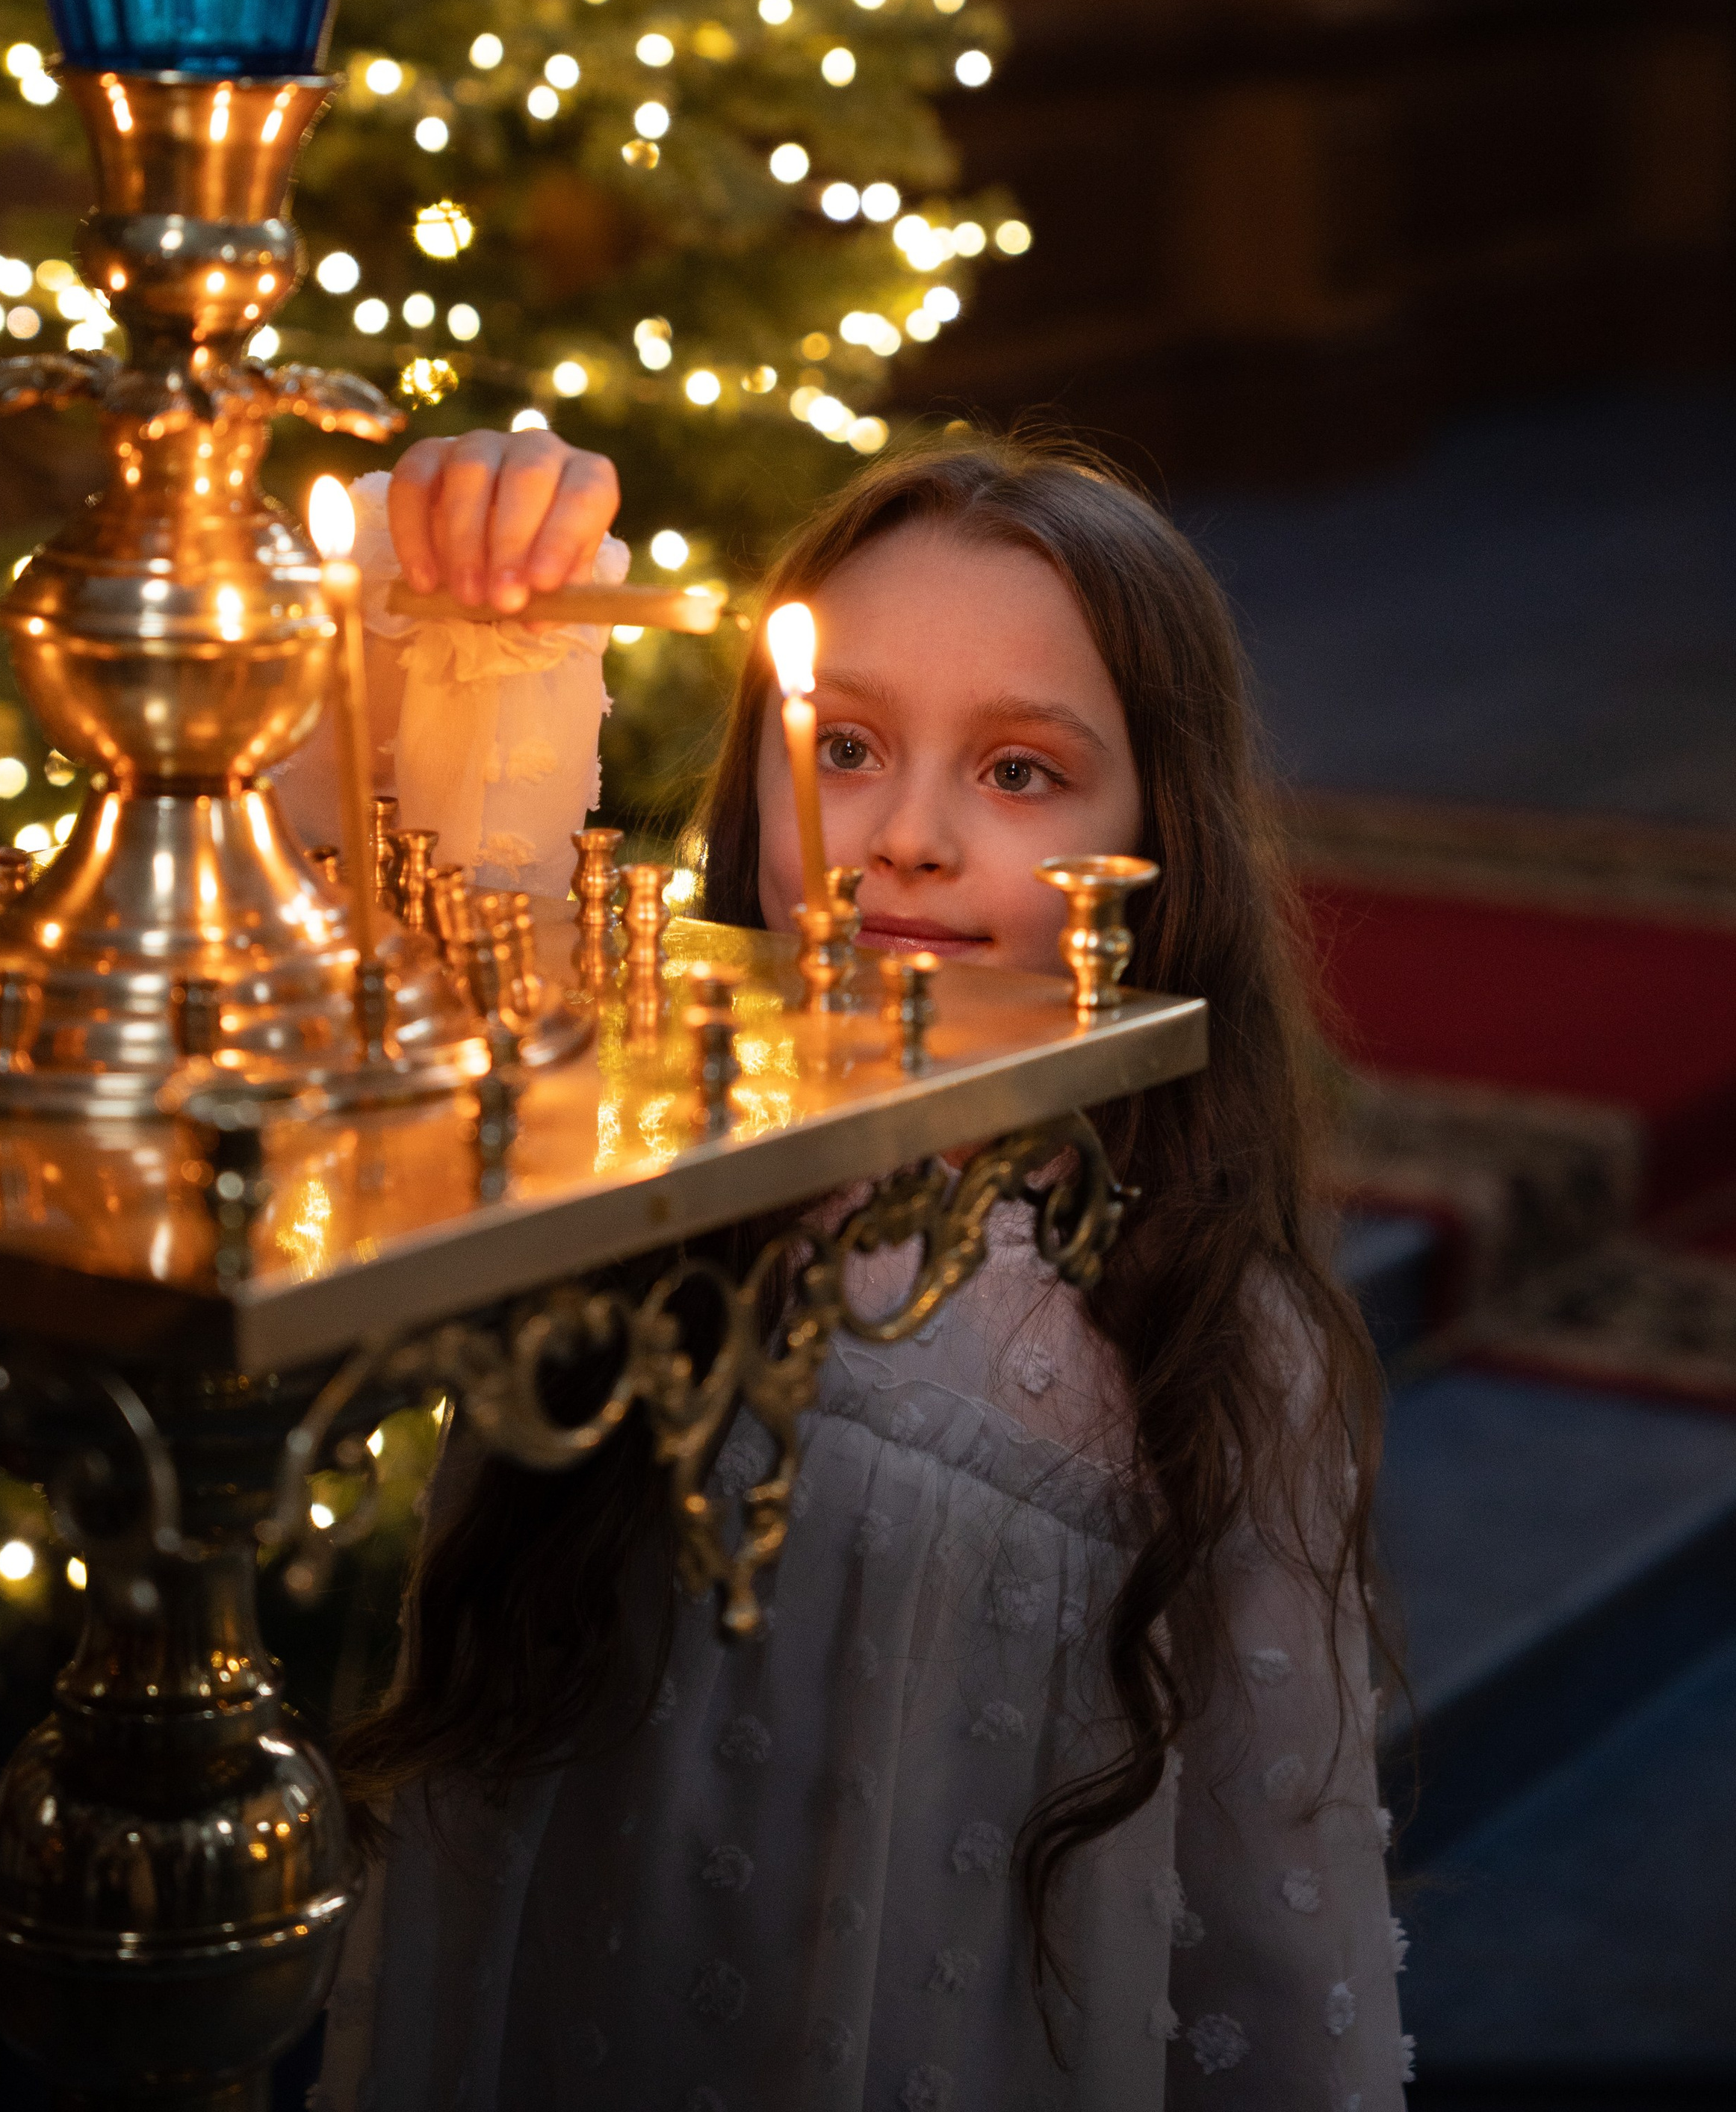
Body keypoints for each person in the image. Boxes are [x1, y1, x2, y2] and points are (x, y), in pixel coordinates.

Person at [311, 425, 1410, 2112]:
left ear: (1160, 844)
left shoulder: (1196, 1331)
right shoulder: (599, 1142)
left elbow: (1274, 1950)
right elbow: (337, 959)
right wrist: (461, 607)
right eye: (841, 745)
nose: (899, 837)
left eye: (1020, 773)